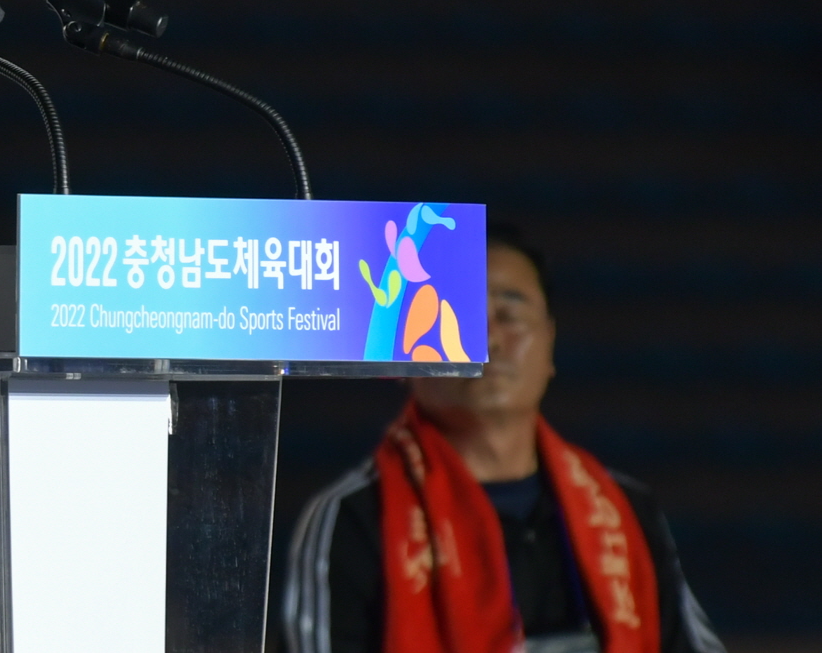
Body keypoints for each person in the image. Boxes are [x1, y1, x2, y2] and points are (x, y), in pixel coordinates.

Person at [283, 224, 725, 653]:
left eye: (509, 314)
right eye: (456, 313)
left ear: (549, 342)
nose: (487, 339)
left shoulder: (625, 508)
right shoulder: (353, 517)